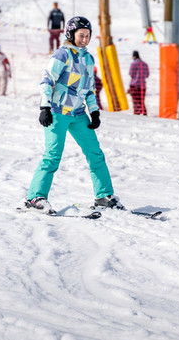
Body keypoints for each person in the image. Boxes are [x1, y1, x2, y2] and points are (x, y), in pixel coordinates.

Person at [24, 16, 124, 214]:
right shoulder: (62, 55)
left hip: (79, 114)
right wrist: (44, 107)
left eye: (87, 36)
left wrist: (94, 112)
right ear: (70, 34)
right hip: (57, 113)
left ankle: (103, 195)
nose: (85, 39)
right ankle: (35, 198)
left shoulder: (88, 58)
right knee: (52, 156)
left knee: (95, 154)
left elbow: (89, 89)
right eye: (81, 35)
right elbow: (47, 81)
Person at [128, 50, 149, 115]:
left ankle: (137, 113)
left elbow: (131, 74)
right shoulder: (145, 64)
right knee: (141, 101)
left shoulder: (133, 64)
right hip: (143, 85)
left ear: (134, 56)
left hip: (134, 85)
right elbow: (147, 75)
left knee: (135, 101)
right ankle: (144, 112)